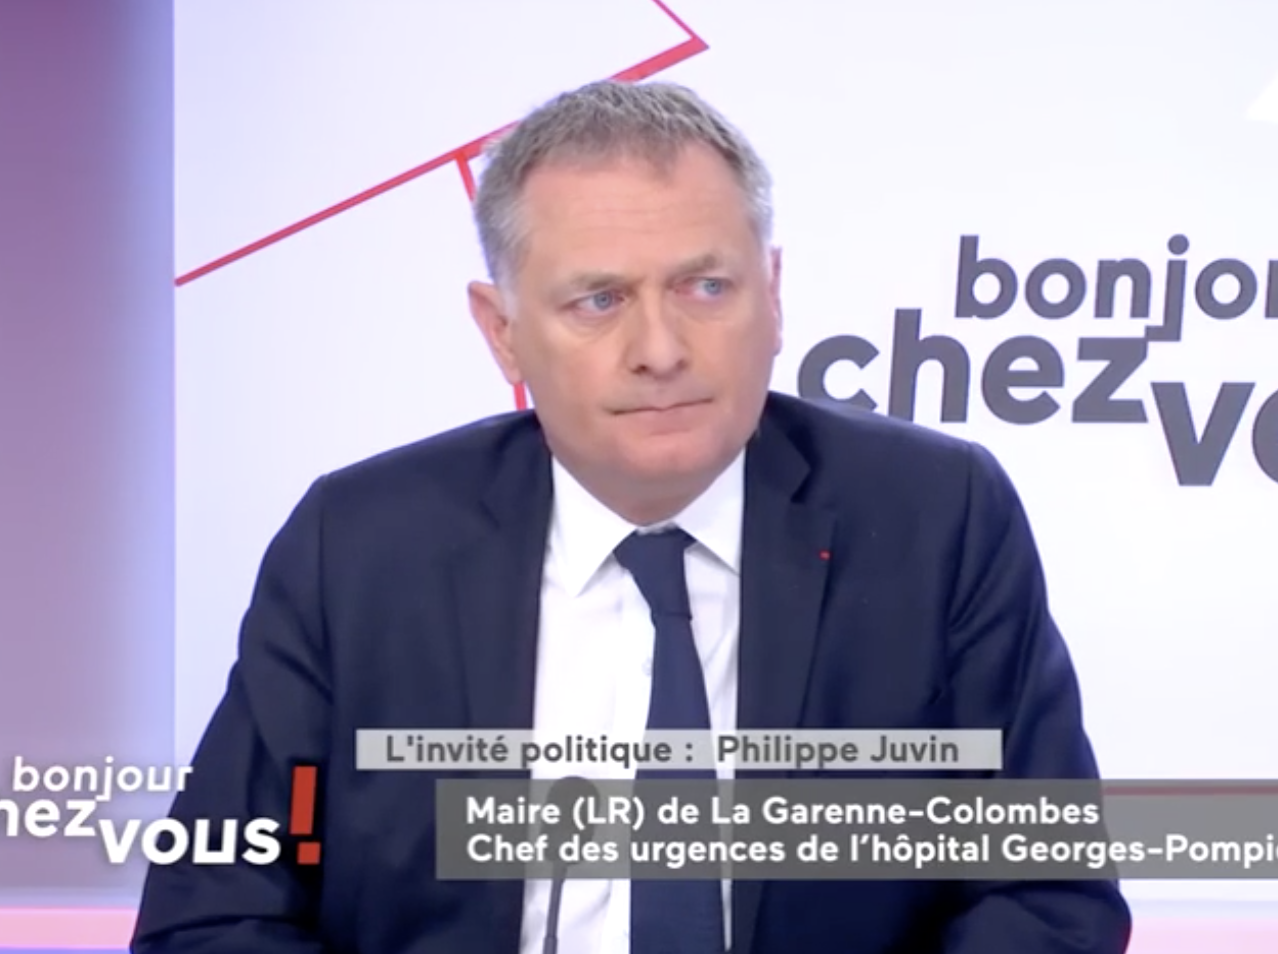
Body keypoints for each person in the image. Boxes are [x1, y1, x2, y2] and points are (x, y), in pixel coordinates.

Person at [131, 80, 1130, 954]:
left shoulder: (936, 519)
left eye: (706, 287)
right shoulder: (358, 548)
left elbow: (1047, 897)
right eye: (599, 301)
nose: (661, 349)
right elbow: (213, 913)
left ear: (774, 295)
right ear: (502, 331)